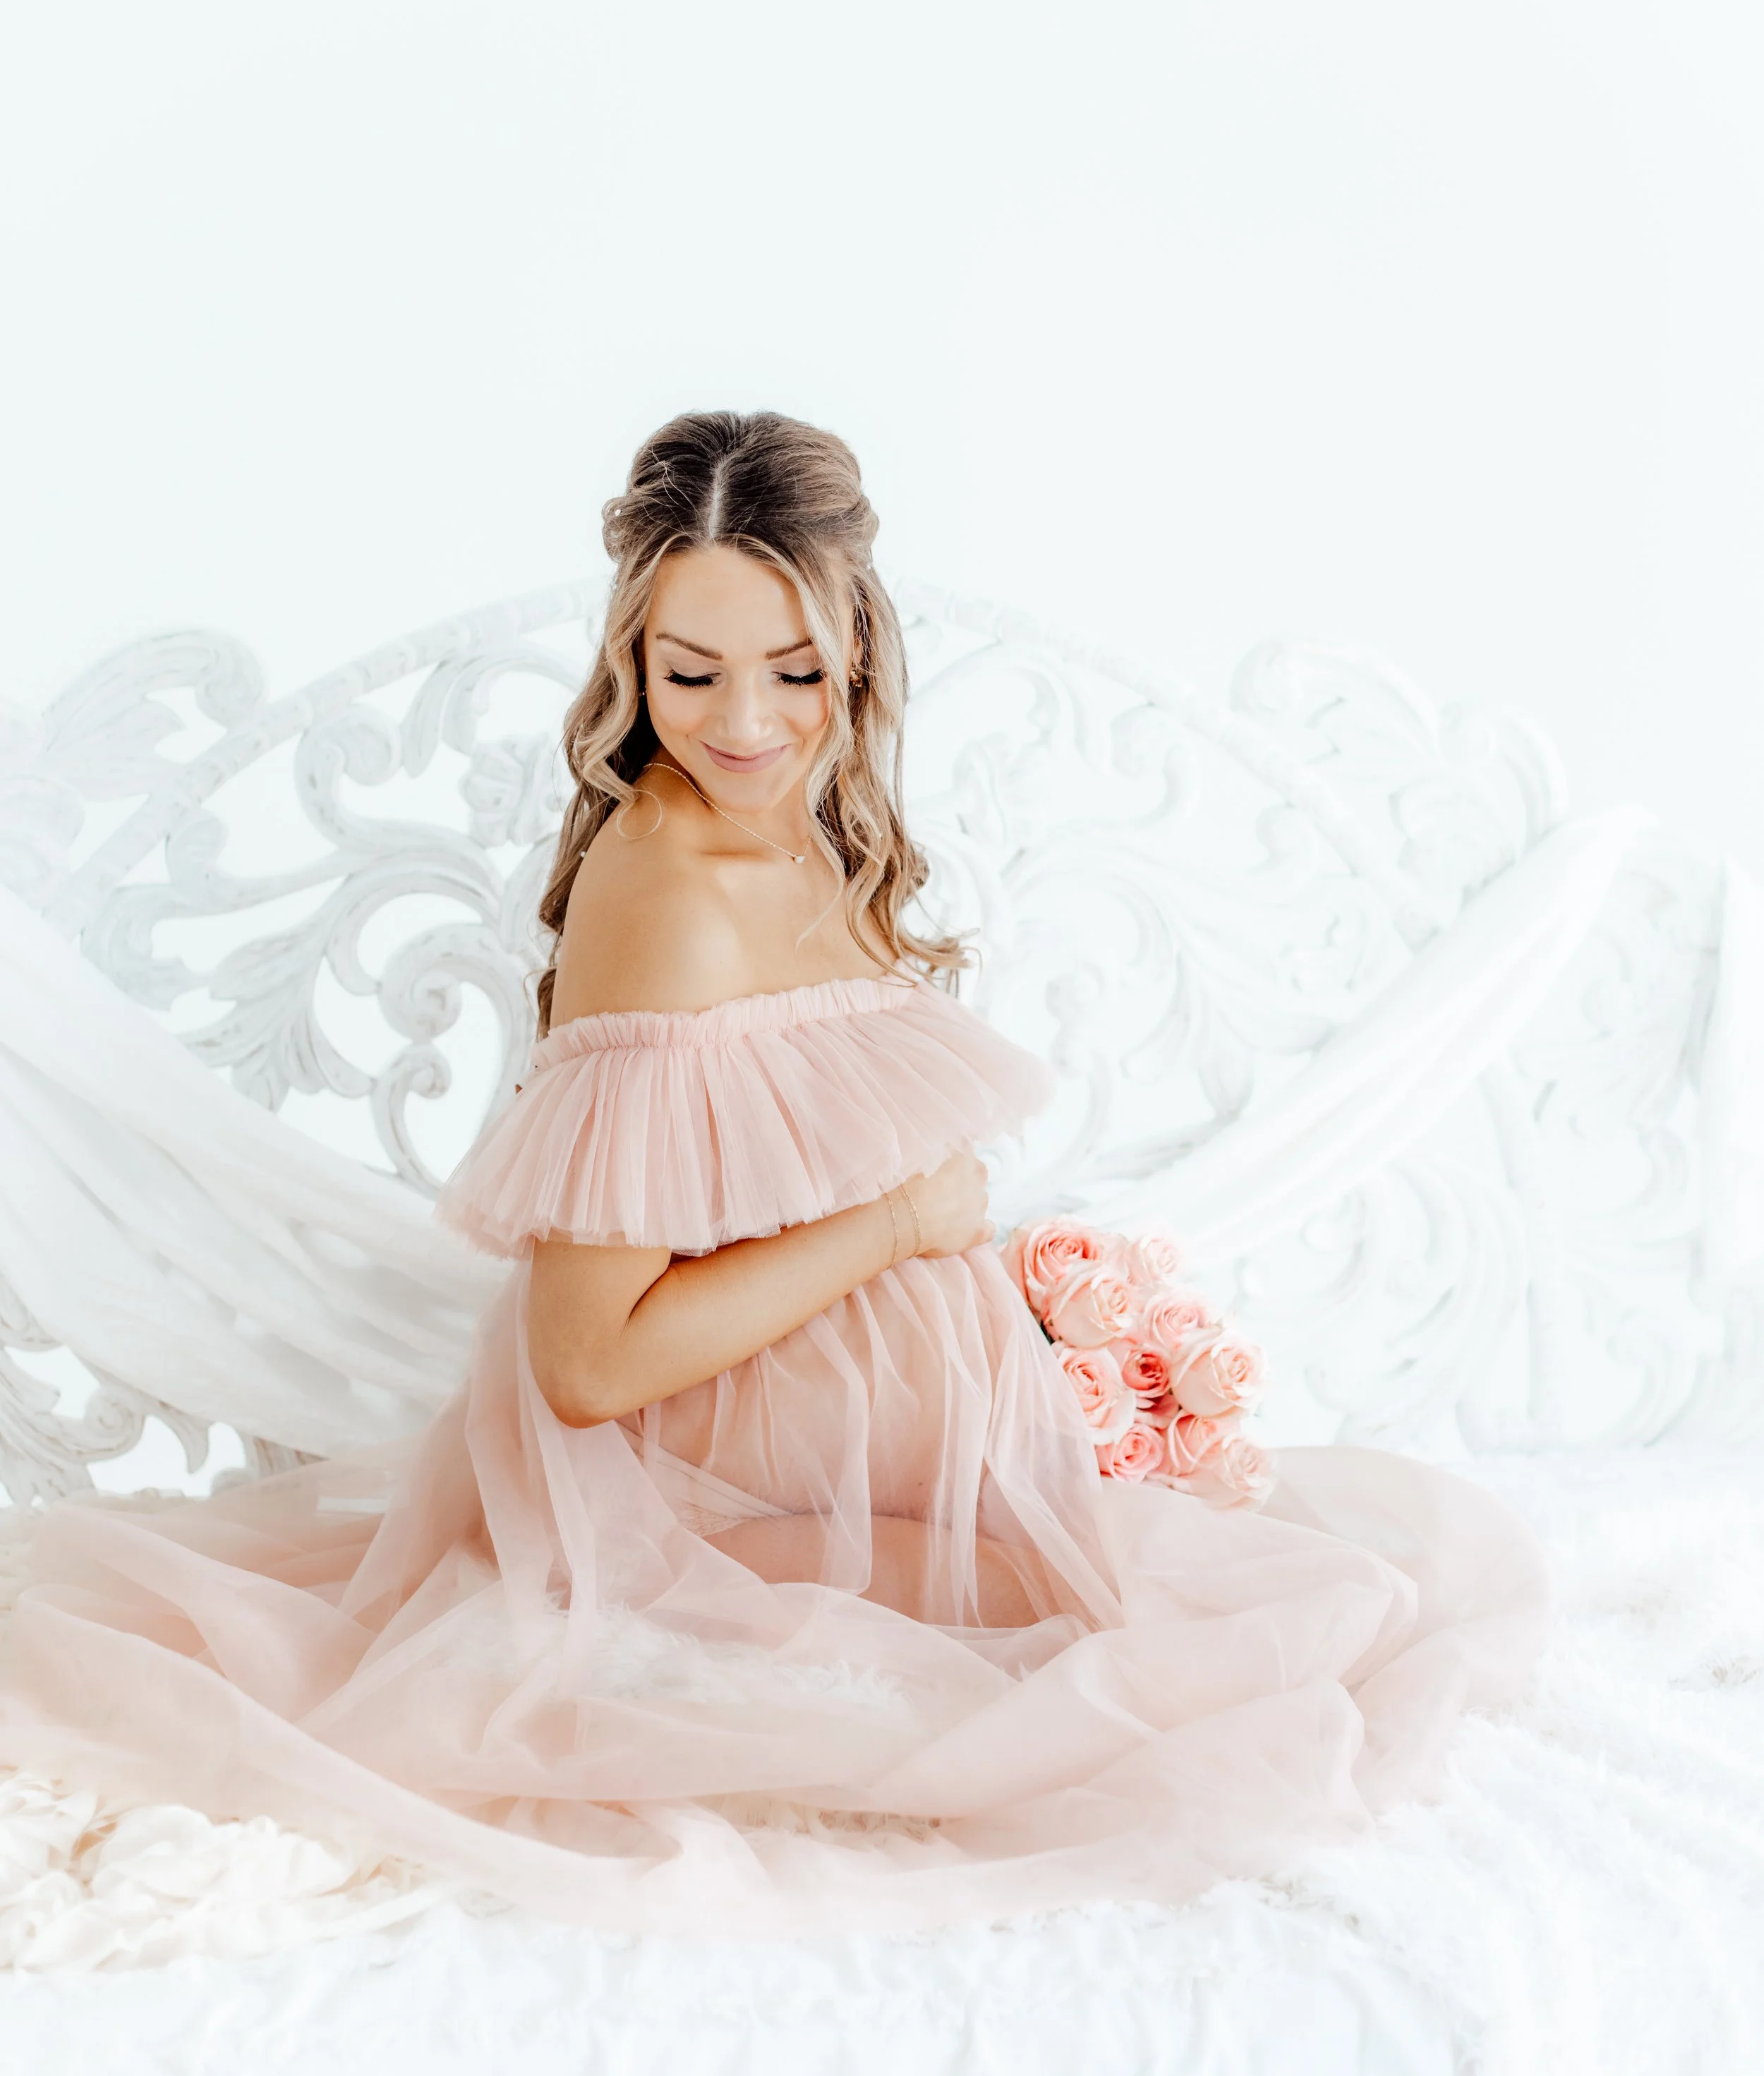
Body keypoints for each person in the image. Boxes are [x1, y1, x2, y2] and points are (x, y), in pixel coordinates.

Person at [0, 411, 1548, 1937]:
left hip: (841, 1427)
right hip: (700, 1464)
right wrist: (899, 1227)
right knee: (1213, 1663)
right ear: (630, 661)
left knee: (1282, 1601)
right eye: (690, 672)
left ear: (855, 652)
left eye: (793, 671)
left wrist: (998, 1311)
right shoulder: (660, 892)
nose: (743, 722)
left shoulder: (815, 831)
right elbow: (589, 1361)